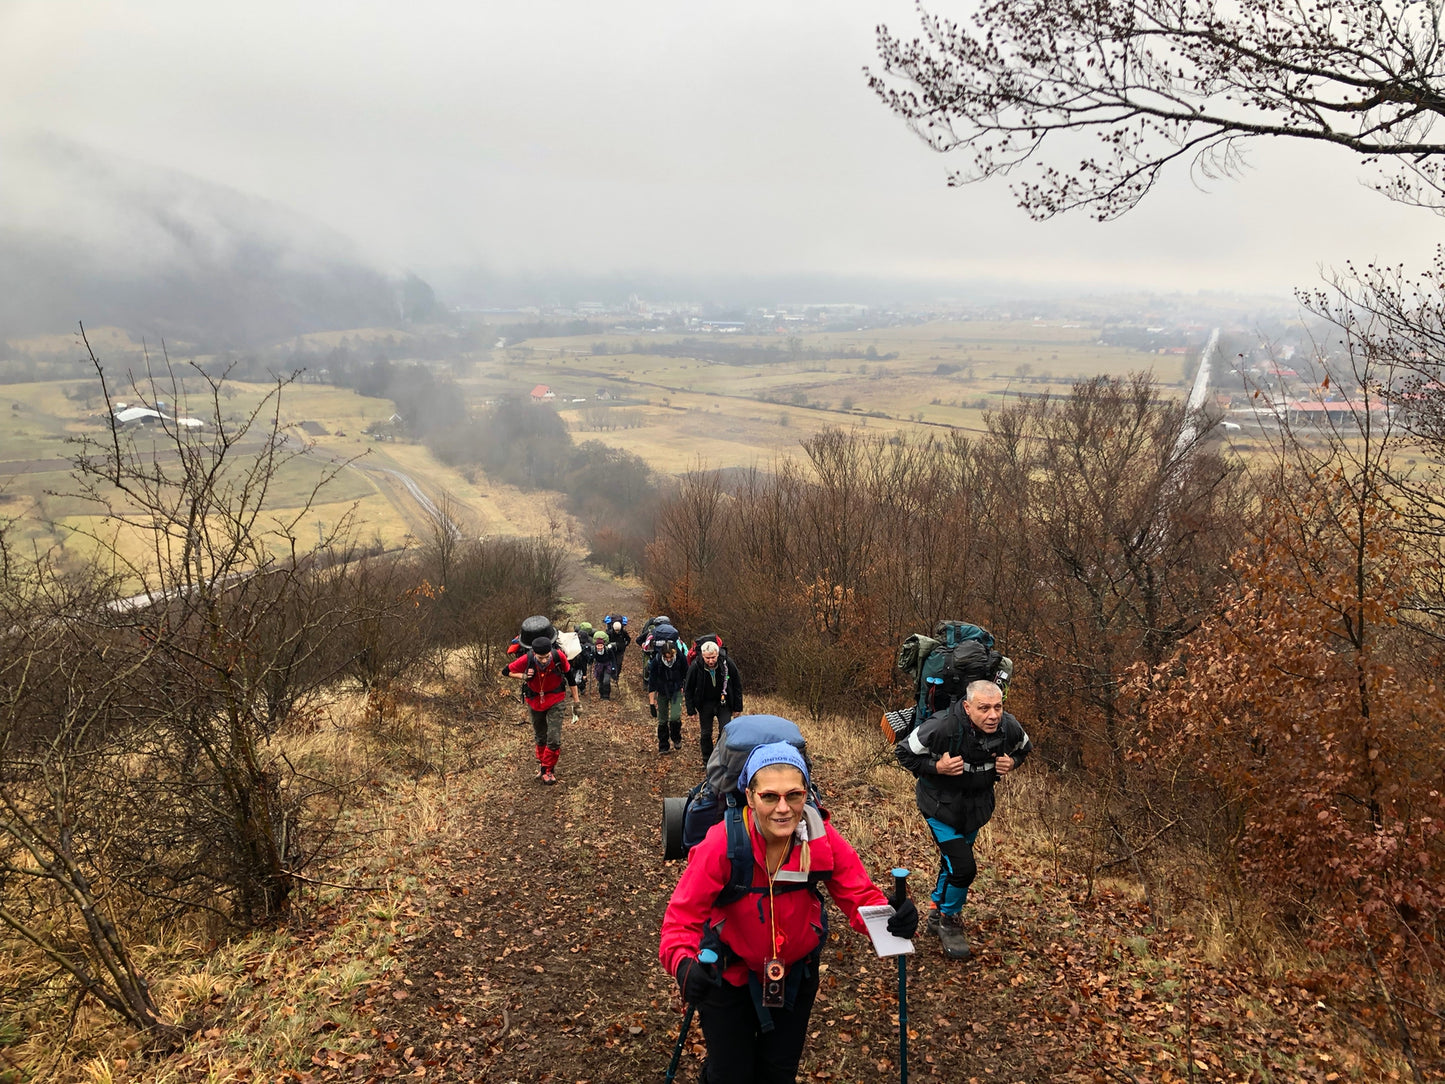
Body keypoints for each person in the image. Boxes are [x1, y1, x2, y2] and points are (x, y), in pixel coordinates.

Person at [659, 741, 918, 1084]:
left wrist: (891, 918)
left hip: (794, 976)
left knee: (778, 1074)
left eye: (794, 795)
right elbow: (680, 920)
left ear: (806, 794)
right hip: (728, 978)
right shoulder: (722, 844)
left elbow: (859, 896)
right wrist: (684, 965)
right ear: (750, 797)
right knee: (730, 1076)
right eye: (769, 796)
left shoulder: (820, 838)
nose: (783, 808)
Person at [894, 678, 1032, 959]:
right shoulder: (941, 726)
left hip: (976, 809)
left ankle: (936, 911)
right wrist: (937, 767)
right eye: (984, 708)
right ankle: (950, 920)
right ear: (967, 707)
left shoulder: (1009, 727)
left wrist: (1013, 762)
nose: (993, 715)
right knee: (964, 867)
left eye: (998, 707)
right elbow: (903, 753)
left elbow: (1025, 748)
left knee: (954, 864)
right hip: (938, 807)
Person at [503, 636, 572, 784]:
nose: (544, 660)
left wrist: (577, 702)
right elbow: (505, 671)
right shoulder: (526, 659)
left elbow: (570, 676)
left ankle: (547, 769)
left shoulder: (557, 656)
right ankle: (543, 766)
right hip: (535, 700)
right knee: (540, 737)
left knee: (553, 739)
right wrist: (523, 675)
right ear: (534, 653)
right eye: (541, 657)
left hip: (556, 698)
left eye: (547, 657)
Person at [684, 640, 743, 760]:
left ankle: (720, 756)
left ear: (717, 654)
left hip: (723, 702)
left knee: (725, 730)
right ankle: (707, 759)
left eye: (713, 657)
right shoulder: (696, 666)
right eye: (707, 658)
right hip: (705, 703)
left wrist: (738, 707)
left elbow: (737, 684)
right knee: (706, 733)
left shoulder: (727, 663)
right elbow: (688, 689)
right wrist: (691, 710)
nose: (710, 661)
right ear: (702, 656)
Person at [647, 636, 690, 754]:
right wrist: (652, 703)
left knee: (675, 716)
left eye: (671, 657)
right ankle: (663, 745)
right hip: (662, 692)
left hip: (676, 691)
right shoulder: (657, 662)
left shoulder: (680, 658)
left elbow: (687, 673)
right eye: (667, 657)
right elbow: (652, 682)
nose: (669, 659)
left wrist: (685, 689)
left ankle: (676, 737)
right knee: (662, 720)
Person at [591, 629, 617, 700]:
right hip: (599, 666)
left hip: (607, 665)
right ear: (596, 646)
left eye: (601, 646)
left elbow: (613, 659)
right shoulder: (594, 651)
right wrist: (590, 658)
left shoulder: (608, 650)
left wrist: (614, 667)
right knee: (600, 680)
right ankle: (601, 694)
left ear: (603, 645)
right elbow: (592, 659)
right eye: (598, 646)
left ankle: (606, 696)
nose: (599, 647)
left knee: (606, 680)